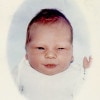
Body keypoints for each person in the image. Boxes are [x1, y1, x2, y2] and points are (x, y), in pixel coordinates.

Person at [13, 9, 92, 100]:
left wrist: (88, 72)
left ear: (71, 55)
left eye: (60, 48)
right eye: (40, 48)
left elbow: (88, 91)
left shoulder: (77, 74)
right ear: (27, 54)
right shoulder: (21, 71)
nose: (50, 55)